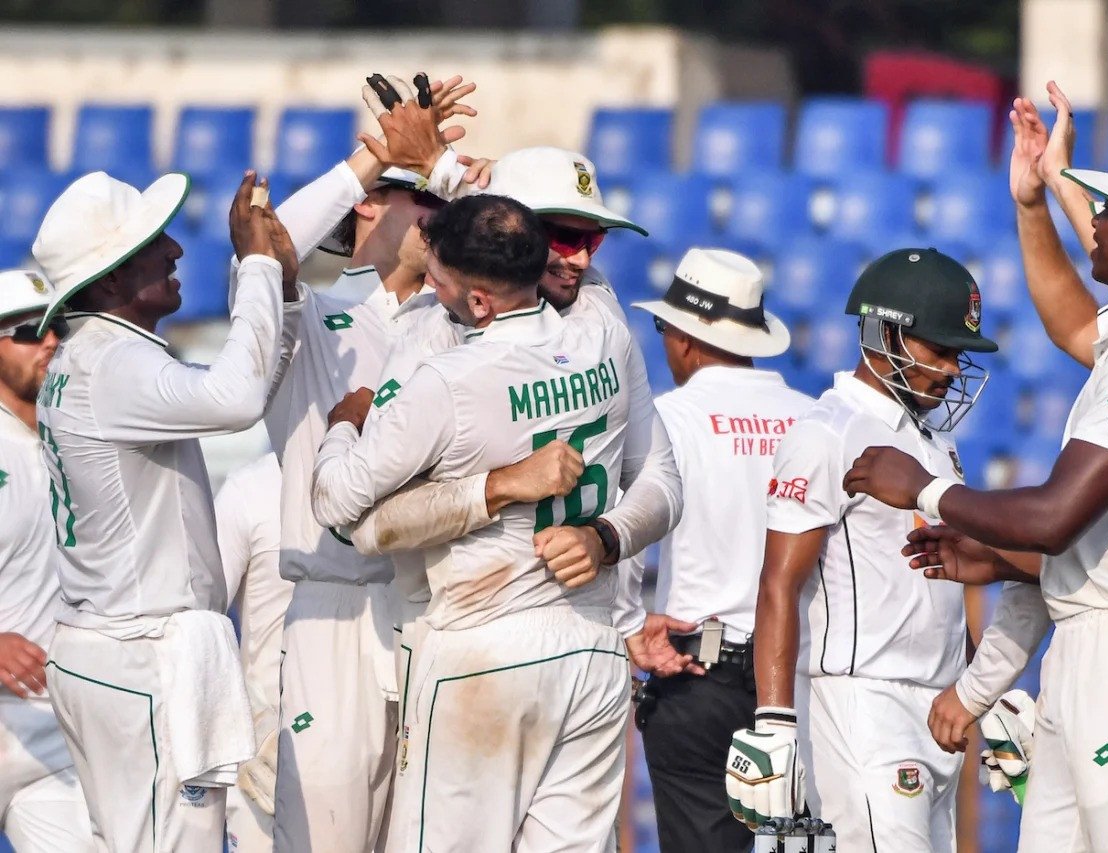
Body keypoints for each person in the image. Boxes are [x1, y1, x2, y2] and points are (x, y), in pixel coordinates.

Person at [846, 127, 1108, 850]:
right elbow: (1087, 526)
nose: (1095, 218)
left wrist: (924, 487)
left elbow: (1053, 516)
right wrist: (991, 546)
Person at [311, 195, 638, 853]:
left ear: (480, 303)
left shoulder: (449, 381)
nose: (430, 288)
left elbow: (337, 503)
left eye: (439, 279)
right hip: (592, 647)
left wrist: (344, 423)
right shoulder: (607, 339)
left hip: (481, 646)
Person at [32, 169, 295, 852]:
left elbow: (250, 385)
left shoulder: (91, 357)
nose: (177, 250)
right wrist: (260, 266)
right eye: (155, 241)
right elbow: (237, 401)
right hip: (142, 655)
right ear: (113, 281)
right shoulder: (113, 363)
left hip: (113, 648)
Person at [725, 247, 998, 848]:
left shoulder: (935, 442)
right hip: (862, 705)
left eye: (960, 353)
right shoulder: (827, 433)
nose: (954, 369)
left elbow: (939, 589)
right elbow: (779, 583)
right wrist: (774, 723)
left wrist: (988, 693)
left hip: (938, 704)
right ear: (884, 332)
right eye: (941, 349)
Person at [627, 247, 812, 852]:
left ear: (683, 337)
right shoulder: (813, 421)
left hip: (698, 669)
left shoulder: (665, 418)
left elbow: (623, 538)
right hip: (799, 679)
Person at [0, 269, 93, 853]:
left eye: (57, 326)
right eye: (31, 330)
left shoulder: (82, 438)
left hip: (54, 733)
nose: (52, 341)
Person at [214, 453, 290, 853]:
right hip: (265, 752)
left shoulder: (389, 472)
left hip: (369, 739)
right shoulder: (247, 491)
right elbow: (202, 624)